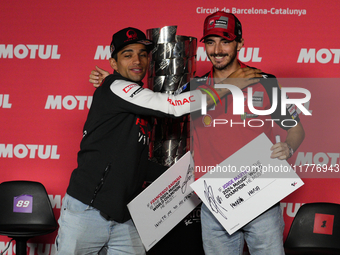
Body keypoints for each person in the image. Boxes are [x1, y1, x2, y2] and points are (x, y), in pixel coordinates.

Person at [89, 12, 305, 255]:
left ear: (240, 43)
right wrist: (115, 81)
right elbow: (160, 103)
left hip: (260, 197)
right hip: (215, 203)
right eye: (211, 42)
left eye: (225, 41)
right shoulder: (195, 86)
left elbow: (296, 129)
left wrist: (288, 147)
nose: (218, 49)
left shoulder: (263, 81)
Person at [57, 26, 262, 255]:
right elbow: (172, 106)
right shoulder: (115, 87)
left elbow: (138, 164)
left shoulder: (133, 99)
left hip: (124, 217)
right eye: (127, 55)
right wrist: (228, 85)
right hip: (88, 211)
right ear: (113, 64)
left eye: (143, 54)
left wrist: (191, 176)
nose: (137, 60)